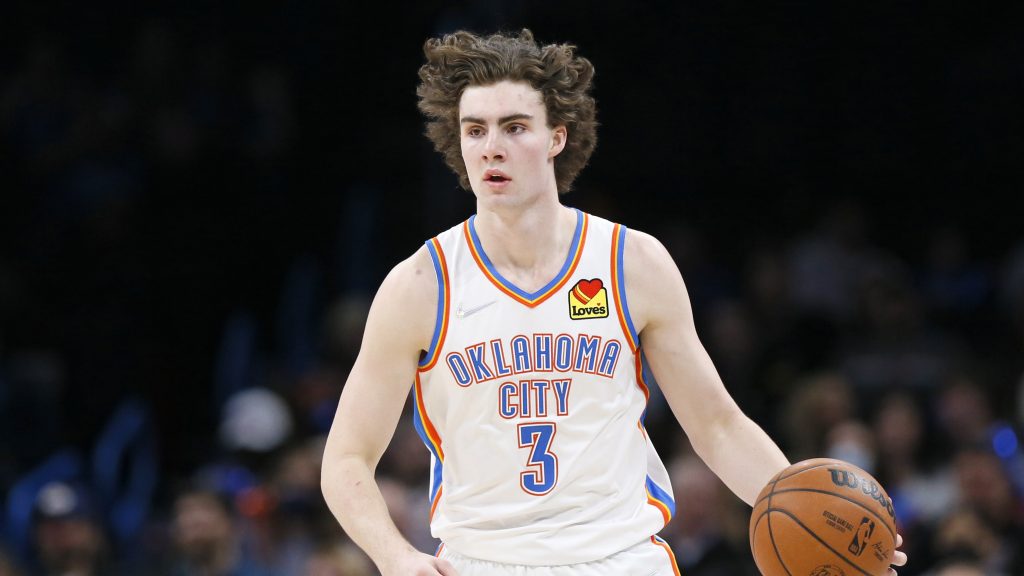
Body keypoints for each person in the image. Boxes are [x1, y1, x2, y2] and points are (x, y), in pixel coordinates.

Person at [320, 29, 908, 576]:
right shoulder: (419, 285)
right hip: (482, 560)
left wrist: (820, 515)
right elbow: (345, 460)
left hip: (620, 558)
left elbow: (717, 425)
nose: (492, 147)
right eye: (475, 130)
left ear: (557, 136)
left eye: (514, 126)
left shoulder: (632, 263)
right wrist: (395, 556)